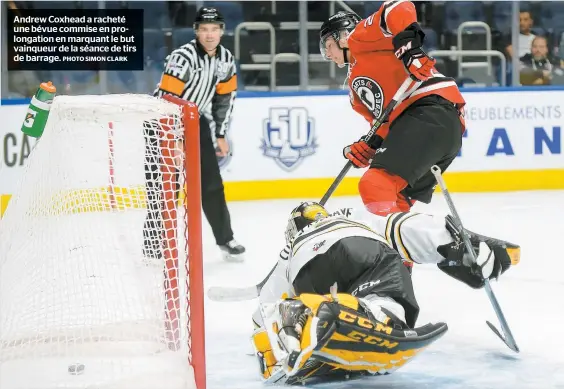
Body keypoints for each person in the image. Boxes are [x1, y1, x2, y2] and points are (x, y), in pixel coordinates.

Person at [250, 202, 520, 384]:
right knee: (385, 298)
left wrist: (266, 340)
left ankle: (304, 322)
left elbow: (264, 309)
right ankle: (375, 317)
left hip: (306, 273)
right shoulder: (349, 217)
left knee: (312, 305)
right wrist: (460, 244)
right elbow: (404, 227)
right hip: (361, 249)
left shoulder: (288, 253)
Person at [319, 5, 466, 220]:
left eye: (328, 46)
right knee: (393, 200)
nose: (328, 54)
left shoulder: (361, 37)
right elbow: (386, 126)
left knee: (374, 186)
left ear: (342, 36)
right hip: (430, 125)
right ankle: (411, 250)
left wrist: (409, 49)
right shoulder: (354, 92)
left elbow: (398, 6)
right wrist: (369, 144)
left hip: (431, 111)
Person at [146, 6, 245, 261]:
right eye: (204, 29)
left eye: (214, 29)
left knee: (212, 184)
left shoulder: (226, 60)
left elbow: (224, 100)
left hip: (195, 122)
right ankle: (154, 245)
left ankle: (226, 239)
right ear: (196, 32)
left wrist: (220, 134)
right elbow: (166, 100)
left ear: (222, 31)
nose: (209, 35)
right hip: (163, 123)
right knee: (164, 186)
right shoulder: (183, 57)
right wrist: (174, 140)